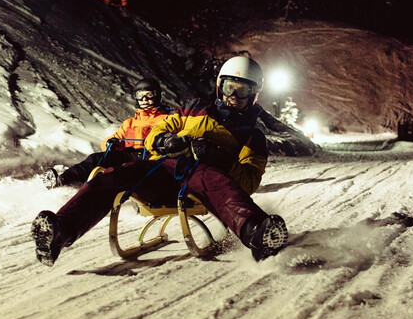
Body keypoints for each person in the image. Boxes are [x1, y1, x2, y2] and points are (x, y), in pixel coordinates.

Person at [31, 55, 288, 265]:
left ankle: (257, 233)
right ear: (219, 86)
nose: (233, 96)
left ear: (253, 95)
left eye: (241, 91)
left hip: (204, 178)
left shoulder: (252, 135)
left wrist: (217, 157)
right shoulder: (194, 108)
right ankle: (62, 229)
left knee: (215, 180)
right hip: (164, 169)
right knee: (117, 174)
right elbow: (157, 131)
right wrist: (166, 141)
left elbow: (249, 182)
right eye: (229, 88)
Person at [41, 77, 172, 188]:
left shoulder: (167, 119)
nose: (144, 100)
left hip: (150, 157)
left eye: (149, 95)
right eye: (140, 96)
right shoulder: (130, 123)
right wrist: (113, 143)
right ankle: (64, 180)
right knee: (96, 159)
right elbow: (108, 143)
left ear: (157, 95)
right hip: (129, 154)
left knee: (129, 170)